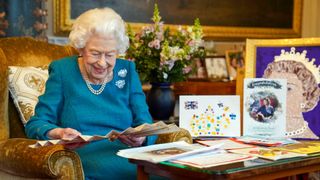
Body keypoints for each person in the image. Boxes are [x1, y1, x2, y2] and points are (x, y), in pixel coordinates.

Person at [25, 8, 156, 179]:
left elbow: (146, 122)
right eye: (95, 53)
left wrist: (141, 138)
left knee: (171, 173)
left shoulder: (128, 71)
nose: (102, 63)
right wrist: (59, 133)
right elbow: (36, 123)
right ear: (81, 48)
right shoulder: (63, 70)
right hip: (85, 159)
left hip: (129, 156)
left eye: (110, 55)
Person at [263, 48, 320, 139]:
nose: (277, 96)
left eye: (288, 88)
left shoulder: (313, 142)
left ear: (306, 96)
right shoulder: (258, 135)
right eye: (272, 87)